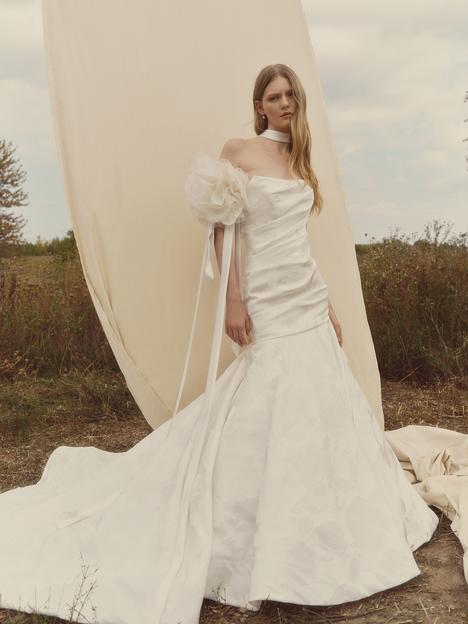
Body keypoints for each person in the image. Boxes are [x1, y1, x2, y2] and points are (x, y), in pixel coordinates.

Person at [0, 64, 439, 624]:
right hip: (264, 295)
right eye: (273, 96)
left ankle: (324, 524)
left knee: (318, 401)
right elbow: (221, 229)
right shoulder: (239, 151)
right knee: (270, 391)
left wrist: (326, 303)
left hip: (304, 293)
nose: (284, 103)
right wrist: (232, 298)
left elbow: (299, 243)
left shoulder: (300, 160)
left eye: (291, 94)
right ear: (259, 106)